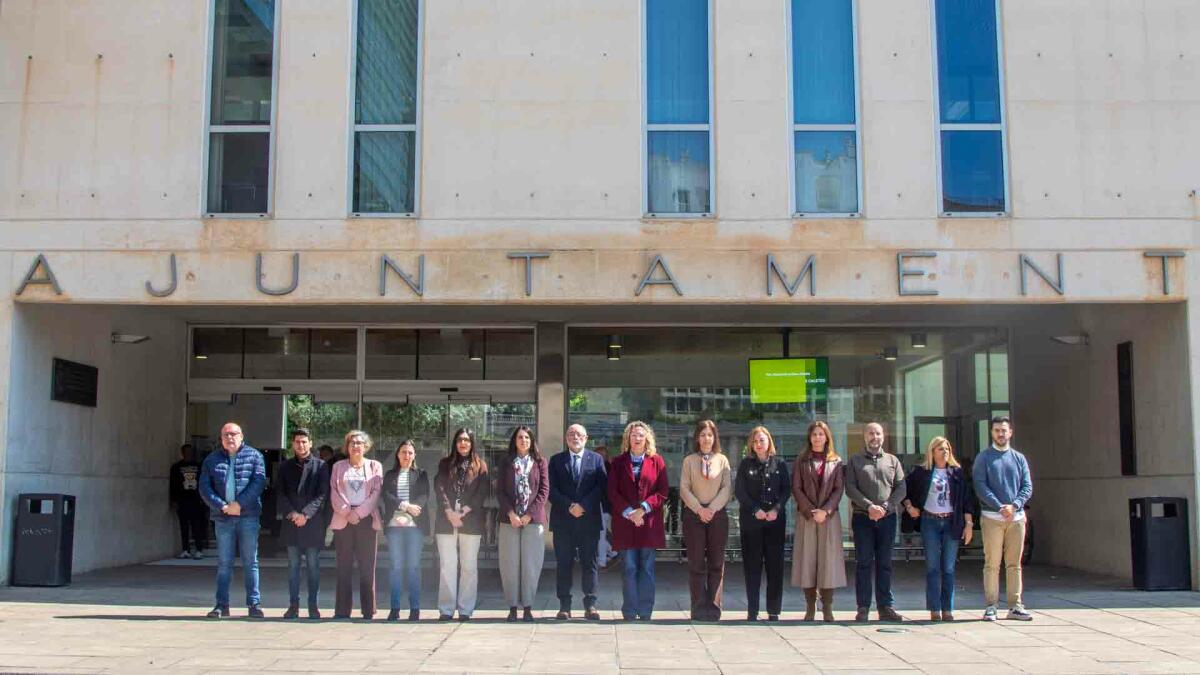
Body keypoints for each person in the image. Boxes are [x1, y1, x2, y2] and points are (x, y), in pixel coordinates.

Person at [902, 436, 975, 622]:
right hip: (930, 521)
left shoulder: (956, 473)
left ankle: (947, 608)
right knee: (933, 567)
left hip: (951, 522)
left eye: (947, 449)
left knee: (949, 567)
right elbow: (904, 489)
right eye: (941, 449)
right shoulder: (922, 472)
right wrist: (910, 508)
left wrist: (969, 524)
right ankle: (934, 608)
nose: (945, 452)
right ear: (932, 452)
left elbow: (966, 500)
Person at [198, 422, 267, 618]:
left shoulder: (254, 456)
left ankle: (254, 605)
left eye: (234, 434)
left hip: (248, 516)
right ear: (221, 438)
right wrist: (223, 506)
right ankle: (221, 605)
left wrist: (239, 504)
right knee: (224, 563)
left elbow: (259, 482)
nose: (230, 437)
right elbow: (204, 488)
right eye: (226, 434)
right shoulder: (211, 460)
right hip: (223, 517)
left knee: (250, 562)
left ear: (242, 436)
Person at [973, 416, 1034, 622]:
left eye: (1004, 430)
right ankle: (991, 606)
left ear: (1010, 432)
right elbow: (980, 486)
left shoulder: (1019, 458)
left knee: (1014, 564)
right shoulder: (983, 458)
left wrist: (1014, 505)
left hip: (1016, 519)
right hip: (992, 518)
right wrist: (1000, 506)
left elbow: (1027, 486)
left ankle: (1015, 606)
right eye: (997, 430)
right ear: (991, 433)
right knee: (992, 563)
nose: (1001, 433)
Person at [844, 422, 906, 622]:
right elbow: (850, 488)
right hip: (863, 518)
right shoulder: (854, 461)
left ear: (883, 436)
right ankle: (863, 607)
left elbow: (901, 488)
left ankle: (885, 606)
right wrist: (870, 506)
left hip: (887, 519)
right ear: (864, 437)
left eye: (878, 433)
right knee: (863, 562)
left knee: (885, 563)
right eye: (870, 433)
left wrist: (886, 507)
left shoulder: (892, 461)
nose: (874, 437)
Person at [608, 421, 669, 621]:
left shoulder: (657, 461)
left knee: (647, 568)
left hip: (648, 524)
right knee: (629, 567)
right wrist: (629, 512)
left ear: (647, 439)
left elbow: (662, 492)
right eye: (633, 435)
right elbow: (612, 492)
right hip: (626, 524)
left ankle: (645, 611)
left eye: (641, 435)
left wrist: (642, 510)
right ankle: (629, 610)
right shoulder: (617, 462)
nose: (637, 438)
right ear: (628, 438)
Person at [548, 423, 607, 620]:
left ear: (586, 438)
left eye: (579, 434)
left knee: (589, 563)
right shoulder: (556, 461)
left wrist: (584, 505)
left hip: (588, 521)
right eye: (571, 434)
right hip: (563, 521)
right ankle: (564, 605)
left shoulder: (597, 460)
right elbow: (551, 489)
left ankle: (590, 604)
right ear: (566, 438)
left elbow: (601, 487)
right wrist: (569, 506)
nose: (575, 437)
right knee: (563, 563)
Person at [791, 420, 846, 623]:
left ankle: (828, 607)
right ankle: (810, 606)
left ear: (827, 437)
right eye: (814, 434)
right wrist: (810, 510)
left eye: (821, 434)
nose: (817, 438)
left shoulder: (836, 461)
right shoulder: (801, 460)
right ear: (809, 437)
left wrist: (826, 510)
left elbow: (839, 489)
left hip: (828, 518)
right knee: (808, 561)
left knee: (828, 562)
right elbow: (796, 488)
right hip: (807, 517)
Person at [734, 425, 790, 621]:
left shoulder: (780, 464)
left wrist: (775, 510)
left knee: (775, 567)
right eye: (755, 441)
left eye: (762, 440)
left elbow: (786, 491)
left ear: (769, 442)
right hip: (752, 523)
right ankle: (753, 610)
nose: (759, 444)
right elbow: (740, 491)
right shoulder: (745, 465)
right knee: (752, 566)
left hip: (775, 523)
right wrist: (755, 509)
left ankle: (773, 610)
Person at [434, 428, 489, 621]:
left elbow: (482, 492)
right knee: (447, 565)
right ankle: (446, 609)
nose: (463, 443)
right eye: (459, 440)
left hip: (471, 520)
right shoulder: (444, 464)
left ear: (472, 442)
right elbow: (439, 488)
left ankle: (465, 609)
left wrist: (464, 511)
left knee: (469, 566)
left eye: (467, 440)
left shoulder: (480, 465)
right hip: (446, 520)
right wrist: (449, 511)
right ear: (455, 443)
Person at [679, 419, 732, 622]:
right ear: (697, 438)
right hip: (694, 515)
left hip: (717, 515)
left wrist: (711, 509)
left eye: (709, 435)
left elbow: (727, 488)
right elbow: (684, 488)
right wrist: (699, 509)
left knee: (717, 563)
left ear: (714, 437)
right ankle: (699, 607)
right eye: (702, 435)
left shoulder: (722, 460)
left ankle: (714, 607)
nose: (706, 438)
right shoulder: (689, 461)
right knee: (696, 563)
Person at [495, 425, 549, 622]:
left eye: (527, 437)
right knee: (509, 563)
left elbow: (544, 491)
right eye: (519, 437)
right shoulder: (506, 462)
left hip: (533, 521)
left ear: (532, 441)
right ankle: (512, 608)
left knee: (531, 564)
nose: (523, 440)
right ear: (514, 441)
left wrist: (529, 514)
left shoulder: (540, 462)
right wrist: (510, 513)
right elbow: (499, 490)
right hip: (509, 519)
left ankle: (527, 607)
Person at [329, 430, 384, 620]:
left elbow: (375, 493)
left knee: (367, 566)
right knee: (343, 566)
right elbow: (334, 492)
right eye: (352, 443)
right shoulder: (338, 466)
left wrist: (359, 513)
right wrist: (347, 512)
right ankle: (342, 610)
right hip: (343, 519)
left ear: (366, 446)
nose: (356, 446)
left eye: (360, 443)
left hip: (366, 520)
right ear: (347, 446)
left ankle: (368, 609)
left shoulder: (375, 466)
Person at [277, 428, 329, 619]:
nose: (301, 445)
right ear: (293, 444)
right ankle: (293, 605)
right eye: (297, 441)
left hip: (312, 524)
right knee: (293, 567)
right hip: (291, 524)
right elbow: (280, 493)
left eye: (304, 441)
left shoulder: (321, 466)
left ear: (310, 443)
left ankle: (313, 606)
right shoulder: (285, 467)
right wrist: (292, 513)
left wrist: (305, 514)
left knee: (314, 566)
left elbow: (322, 495)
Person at [382, 439, 429, 622]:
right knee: (396, 567)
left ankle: (415, 609)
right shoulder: (390, 474)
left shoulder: (421, 474)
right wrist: (405, 506)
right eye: (403, 452)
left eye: (410, 452)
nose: (406, 456)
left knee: (414, 567)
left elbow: (424, 495)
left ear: (414, 455)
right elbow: (386, 495)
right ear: (398, 454)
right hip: (394, 527)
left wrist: (411, 511)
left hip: (414, 527)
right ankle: (395, 608)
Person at [169, 443, 207, 560]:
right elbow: (173, 484)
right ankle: (185, 549)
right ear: (182, 453)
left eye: (190, 451)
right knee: (184, 526)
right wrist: (173, 499)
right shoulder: (176, 467)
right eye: (186, 451)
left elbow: (204, 483)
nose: (188, 454)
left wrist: (204, 499)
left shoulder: (199, 466)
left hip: (196, 501)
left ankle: (199, 549)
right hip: (182, 500)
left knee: (196, 526)